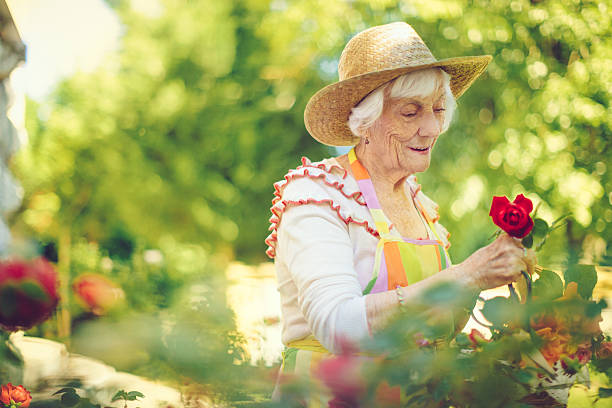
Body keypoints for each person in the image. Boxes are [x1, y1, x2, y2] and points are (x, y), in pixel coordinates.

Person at [265, 22, 535, 406]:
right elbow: (337, 326)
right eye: (410, 113)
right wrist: (466, 274)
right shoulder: (317, 193)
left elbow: (438, 329)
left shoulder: (420, 205)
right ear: (365, 121)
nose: (431, 128)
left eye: (438, 110)